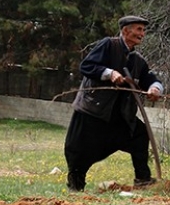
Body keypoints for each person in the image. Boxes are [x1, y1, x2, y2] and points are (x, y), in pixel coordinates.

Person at [64, 15, 164, 191]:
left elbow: (150, 79)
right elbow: (86, 66)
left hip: (119, 115)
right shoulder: (108, 45)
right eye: (139, 29)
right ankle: (76, 184)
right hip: (93, 111)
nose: (143, 33)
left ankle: (143, 179)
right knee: (79, 149)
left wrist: (155, 89)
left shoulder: (138, 60)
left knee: (139, 134)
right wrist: (109, 73)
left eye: (143, 30)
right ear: (126, 30)